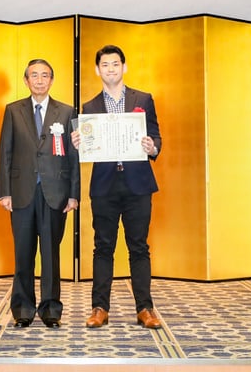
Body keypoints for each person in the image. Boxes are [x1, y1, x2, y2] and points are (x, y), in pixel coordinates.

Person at [71, 44, 163, 329]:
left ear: (124, 67)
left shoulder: (143, 99)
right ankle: (100, 308)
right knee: (103, 247)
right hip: (105, 186)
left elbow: (156, 136)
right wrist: (79, 143)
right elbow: (88, 147)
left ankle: (145, 309)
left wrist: (152, 146)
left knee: (139, 247)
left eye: (115, 64)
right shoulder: (89, 107)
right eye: (105, 65)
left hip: (138, 185)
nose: (110, 69)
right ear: (97, 70)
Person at [0, 58, 80, 328]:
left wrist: (73, 194)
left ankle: (51, 310)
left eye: (45, 75)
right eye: (34, 75)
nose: (40, 80)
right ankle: (22, 309)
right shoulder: (13, 111)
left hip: (55, 193)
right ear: (26, 80)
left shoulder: (66, 112)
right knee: (23, 254)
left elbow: (74, 156)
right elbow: (5, 152)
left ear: (52, 80)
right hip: (21, 193)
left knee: (50, 255)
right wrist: (4, 192)